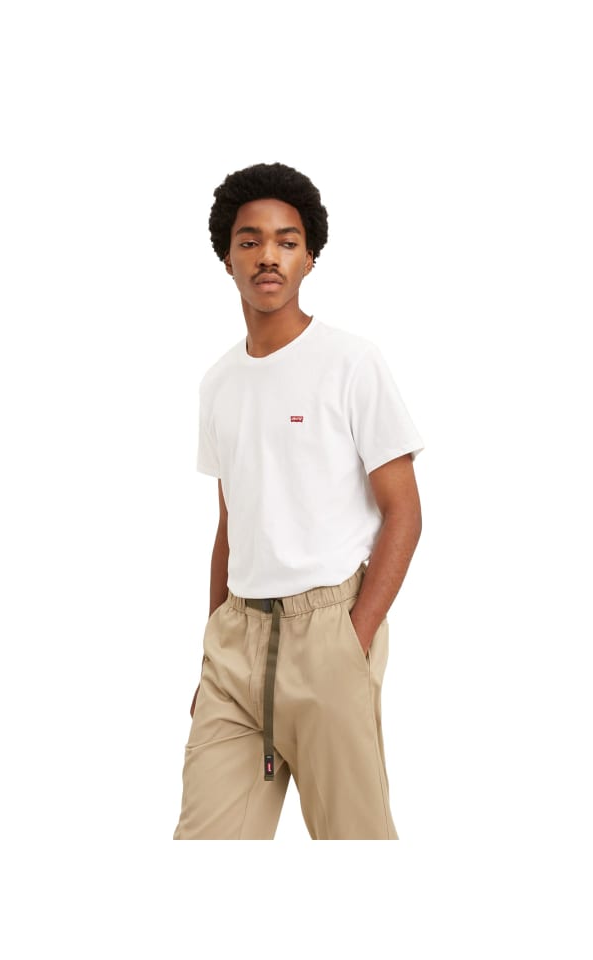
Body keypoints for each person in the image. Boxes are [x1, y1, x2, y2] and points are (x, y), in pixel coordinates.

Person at [173, 162, 424, 840]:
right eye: (249, 241)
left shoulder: (351, 362)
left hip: (329, 633)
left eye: (286, 242)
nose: (268, 256)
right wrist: (212, 648)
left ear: (309, 257)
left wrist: (353, 639)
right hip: (235, 648)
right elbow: (230, 523)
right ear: (227, 256)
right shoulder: (218, 384)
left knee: (355, 844)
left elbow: (404, 511)